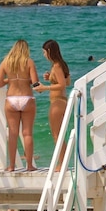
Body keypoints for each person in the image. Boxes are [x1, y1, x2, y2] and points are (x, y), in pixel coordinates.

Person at [0, 39, 41, 172]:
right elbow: (35, 82)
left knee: (13, 134)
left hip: (11, 99)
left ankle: (11, 166)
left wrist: (8, 80)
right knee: (27, 133)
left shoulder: (6, 62)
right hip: (27, 98)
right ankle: (30, 165)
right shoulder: (29, 62)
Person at [35, 39, 71, 170]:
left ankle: (62, 164)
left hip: (57, 102)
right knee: (59, 134)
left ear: (49, 51)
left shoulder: (57, 65)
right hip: (61, 101)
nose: (43, 55)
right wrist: (51, 77)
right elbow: (67, 82)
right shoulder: (60, 65)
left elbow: (62, 85)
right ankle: (63, 162)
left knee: (56, 134)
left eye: (44, 52)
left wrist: (45, 87)